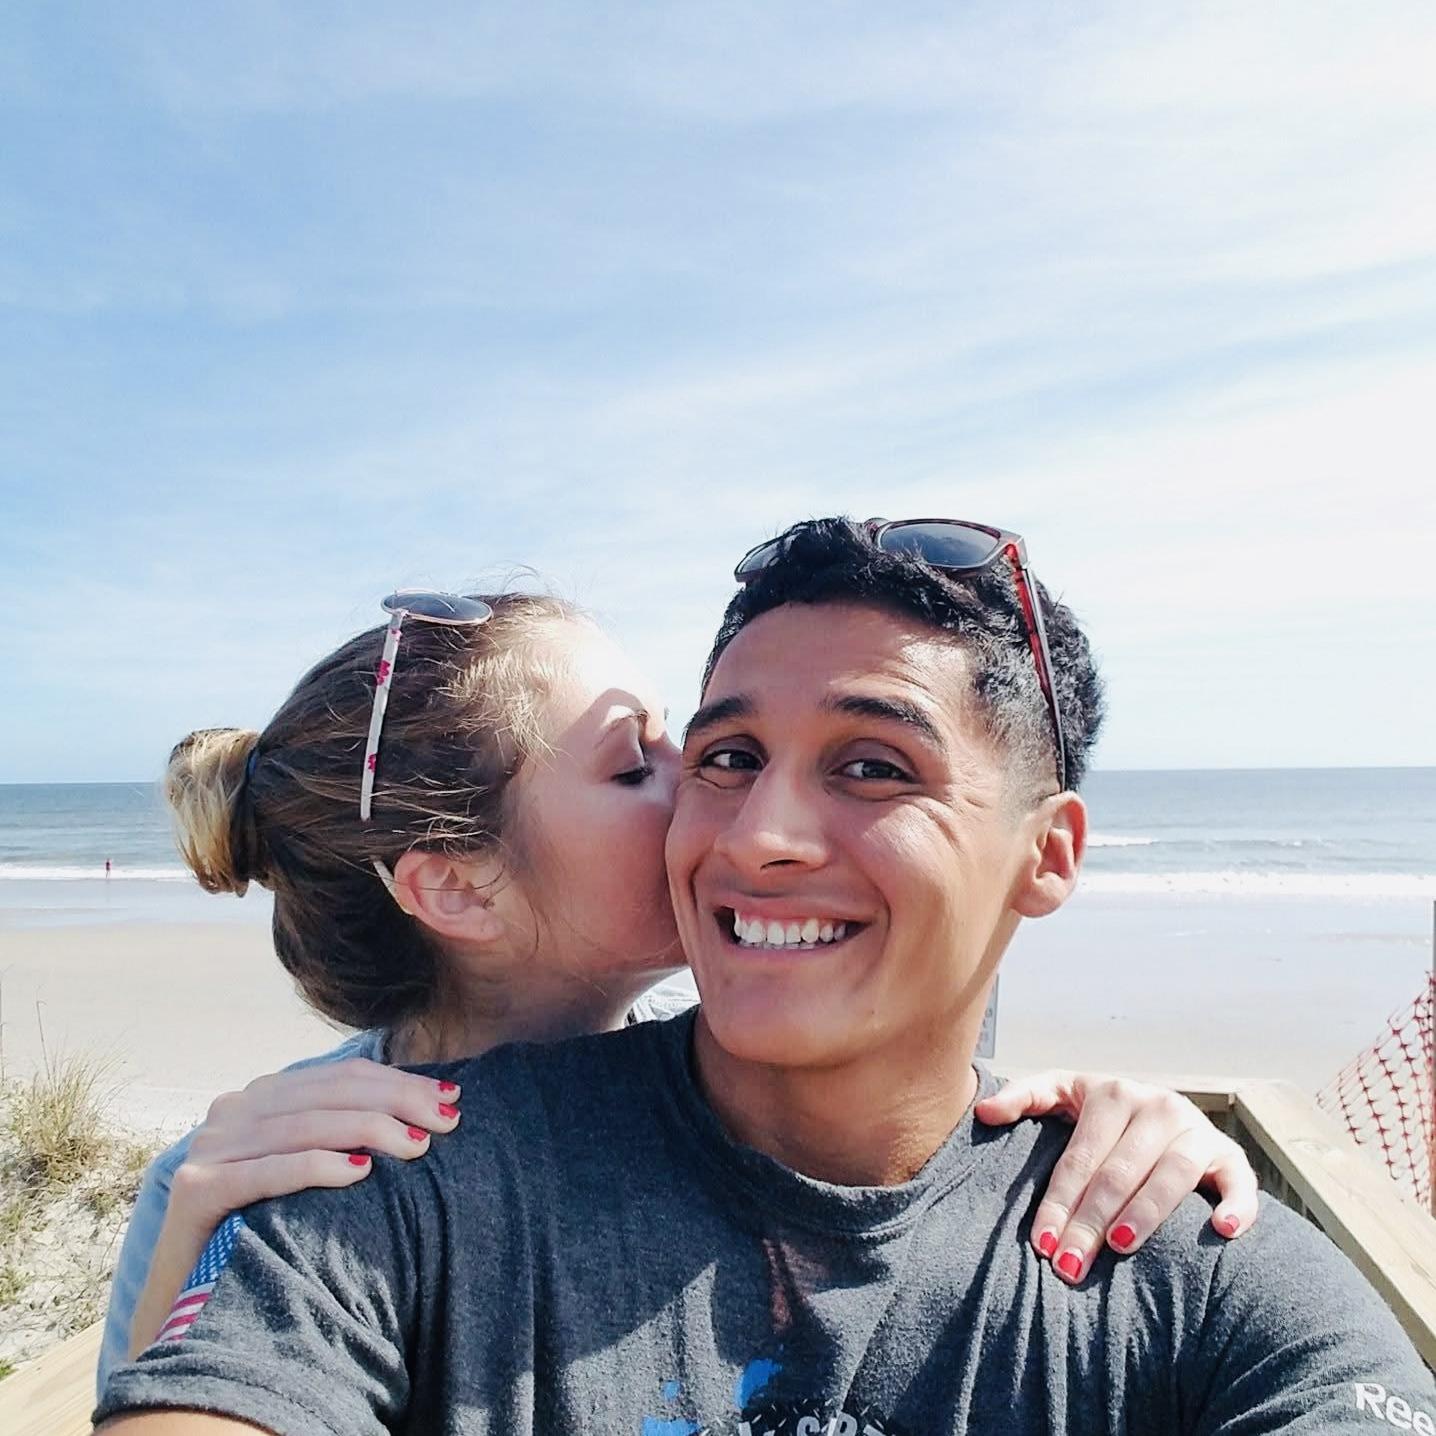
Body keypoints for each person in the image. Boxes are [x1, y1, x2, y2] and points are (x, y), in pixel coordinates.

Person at [98, 522, 1391, 1432]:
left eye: (872, 767)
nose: (740, 822)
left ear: (1044, 856)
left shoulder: (1173, 1266)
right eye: (678, 761)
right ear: (457, 887)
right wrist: (194, 1285)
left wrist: (1119, 1126)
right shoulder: (328, 1178)